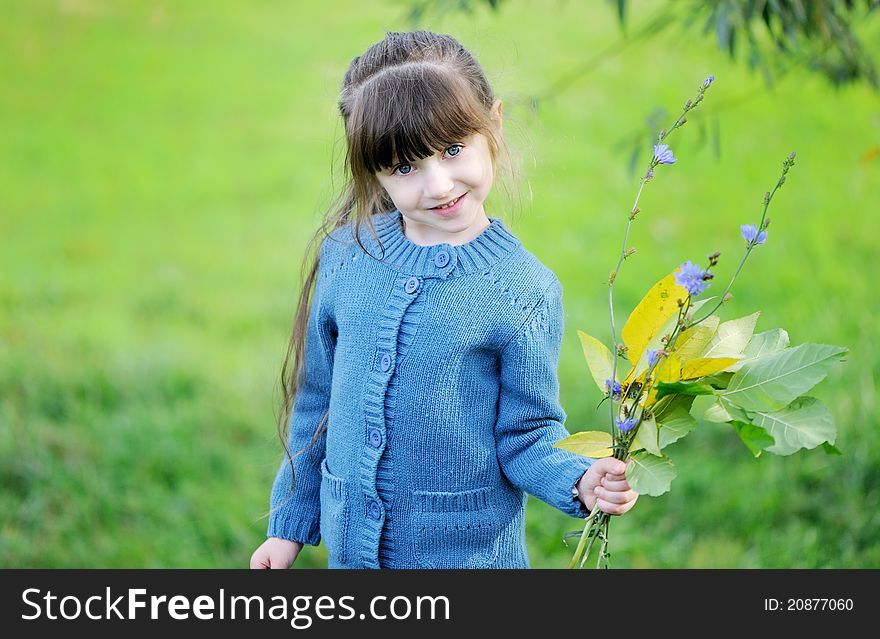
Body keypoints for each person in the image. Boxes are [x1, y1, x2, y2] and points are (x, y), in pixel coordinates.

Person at [250, 30, 638, 570]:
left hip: (465, 559)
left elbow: (526, 436)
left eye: (453, 150)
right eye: (404, 167)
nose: (436, 185)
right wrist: (288, 526)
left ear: (493, 124)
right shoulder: (348, 256)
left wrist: (579, 477)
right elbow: (319, 404)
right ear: (375, 171)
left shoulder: (524, 289)